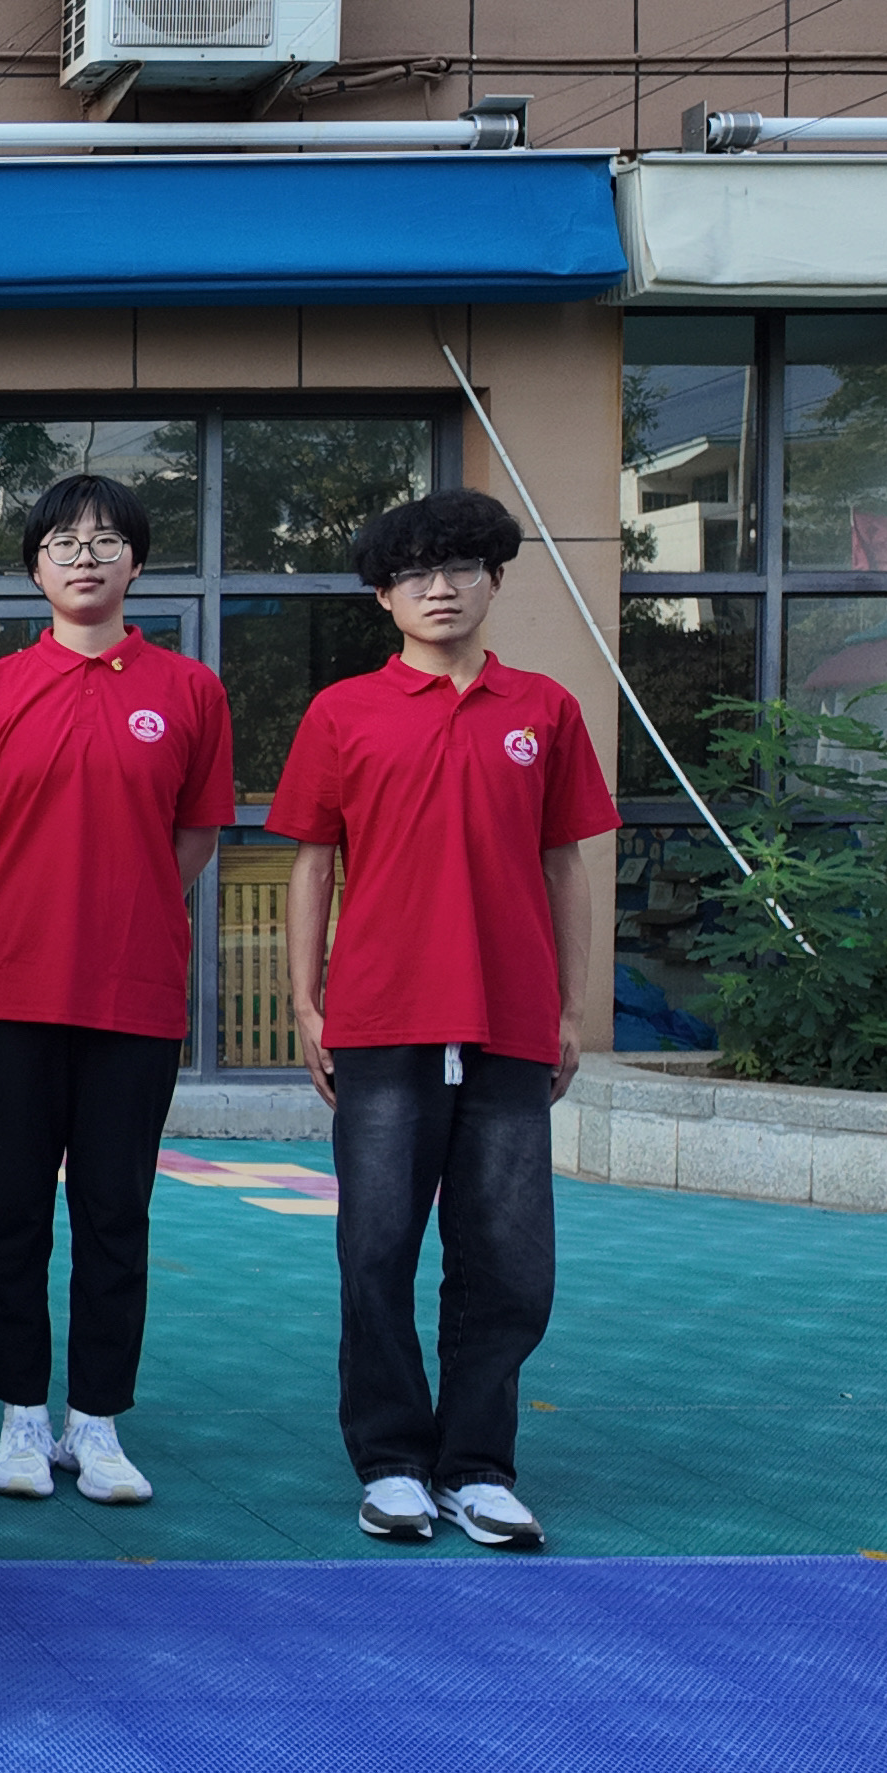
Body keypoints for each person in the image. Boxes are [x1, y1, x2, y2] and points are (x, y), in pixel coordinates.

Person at [268, 490, 616, 1553]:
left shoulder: (544, 710)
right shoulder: (344, 713)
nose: (440, 588)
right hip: (382, 1019)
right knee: (376, 1251)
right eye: (415, 573)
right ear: (384, 597)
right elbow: (313, 864)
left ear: (494, 579)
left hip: (510, 1021)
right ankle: (391, 1461)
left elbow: (564, 864)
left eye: (462, 567)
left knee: (509, 1261)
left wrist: (569, 1009)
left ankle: (477, 1468)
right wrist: (307, 1001)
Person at [0, 474, 233, 1510]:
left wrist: (123, 901)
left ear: (136, 564)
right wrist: (32, 903)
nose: (86, 558)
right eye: (63, 543)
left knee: (116, 1210)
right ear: (35, 569)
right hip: (8, 988)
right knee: (10, 1209)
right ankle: (21, 1415)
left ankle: (96, 1422)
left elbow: (194, 835)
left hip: (133, 988)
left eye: (107, 542)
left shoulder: (189, 691)